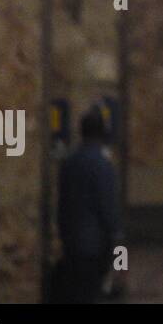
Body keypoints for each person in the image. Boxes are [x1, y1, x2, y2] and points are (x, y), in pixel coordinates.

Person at [54, 106, 121, 303]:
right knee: (91, 293)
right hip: (95, 246)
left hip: (71, 242)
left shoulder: (69, 163)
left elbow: (62, 204)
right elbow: (110, 213)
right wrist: (120, 263)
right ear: (102, 134)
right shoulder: (103, 165)